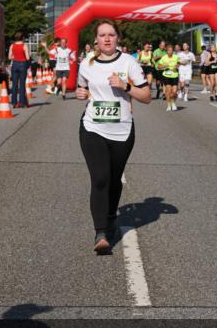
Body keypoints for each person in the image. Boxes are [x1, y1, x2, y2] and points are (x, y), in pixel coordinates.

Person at [76, 20, 151, 253]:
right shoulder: (86, 63)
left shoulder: (129, 62)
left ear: (118, 38)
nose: (107, 39)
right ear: (96, 40)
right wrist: (81, 93)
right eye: (102, 35)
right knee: (100, 178)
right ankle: (100, 233)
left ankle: (110, 218)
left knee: (114, 179)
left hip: (122, 130)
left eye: (111, 34)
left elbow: (146, 96)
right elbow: (82, 88)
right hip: (93, 127)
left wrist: (126, 87)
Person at [8, 32, 30, 108]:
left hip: (15, 64)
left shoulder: (12, 45)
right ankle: (22, 102)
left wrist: (15, 57)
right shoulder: (24, 45)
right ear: (22, 38)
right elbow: (27, 57)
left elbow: (9, 57)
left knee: (14, 84)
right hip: (22, 65)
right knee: (22, 84)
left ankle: (14, 102)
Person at [156, 43, 181, 112]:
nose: (170, 51)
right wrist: (164, 66)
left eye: (171, 50)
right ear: (166, 51)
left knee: (174, 91)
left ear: (173, 51)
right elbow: (158, 66)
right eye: (169, 50)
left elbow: (179, 63)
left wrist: (176, 66)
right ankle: (168, 105)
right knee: (168, 91)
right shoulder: (164, 57)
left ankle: (173, 102)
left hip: (175, 75)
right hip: (166, 76)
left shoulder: (176, 57)